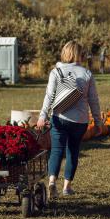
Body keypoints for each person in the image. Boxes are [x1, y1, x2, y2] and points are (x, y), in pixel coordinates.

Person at [37, 41, 103, 197]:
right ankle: (67, 187)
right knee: (73, 151)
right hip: (79, 120)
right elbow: (94, 100)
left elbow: (49, 97)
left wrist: (42, 116)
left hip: (59, 117)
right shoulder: (86, 74)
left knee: (56, 151)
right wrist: (98, 122)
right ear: (79, 55)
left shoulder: (55, 72)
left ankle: (52, 181)